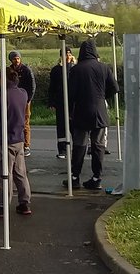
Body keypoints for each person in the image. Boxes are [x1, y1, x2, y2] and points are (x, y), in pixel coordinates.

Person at [0, 66, 32, 217]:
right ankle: (24, 202)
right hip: (19, 138)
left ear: (2, 79)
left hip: (4, 139)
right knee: (20, 173)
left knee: (4, 174)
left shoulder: (2, 96)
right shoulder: (22, 93)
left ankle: (3, 205)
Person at [67, 40, 118, 190]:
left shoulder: (76, 70)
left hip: (81, 110)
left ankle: (75, 177)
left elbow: (70, 93)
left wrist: (70, 110)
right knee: (98, 145)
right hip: (100, 110)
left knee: (79, 145)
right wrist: (102, 96)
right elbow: (115, 88)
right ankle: (97, 177)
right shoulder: (104, 67)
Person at [46, 48, 75, 159]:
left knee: (74, 126)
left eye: (69, 54)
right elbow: (52, 87)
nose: (67, 56)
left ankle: (77, 149)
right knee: (62, 127)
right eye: (65, 54)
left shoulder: (76, 68)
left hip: (74, 102)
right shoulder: (56, 70)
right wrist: (51, 102)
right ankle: (63, 150)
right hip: (60, 102)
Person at [8, 51, 36, 157]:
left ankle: (26, 145)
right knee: (13, 120)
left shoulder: (26, 70)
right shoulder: (9, 70)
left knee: (25, 122)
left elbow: (32, 85)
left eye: (18, 58)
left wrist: (29, 99)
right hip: (12, 99)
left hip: (25, 99)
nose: (17, 60)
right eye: (14, 59)